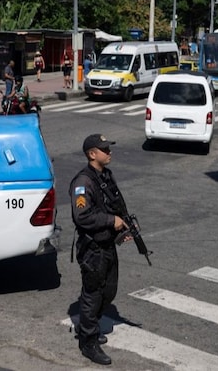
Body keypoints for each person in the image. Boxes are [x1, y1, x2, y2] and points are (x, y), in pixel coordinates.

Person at [69, 134, 127, 366]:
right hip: (92, 249)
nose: (109, 152)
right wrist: (111, 221)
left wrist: (124, 225)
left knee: (109, 291)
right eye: (104, 149)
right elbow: (82, 216)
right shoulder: (83, 182)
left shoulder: (105, 175)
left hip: (108, 244)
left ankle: (89, 324)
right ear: (92, 154)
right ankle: (88, 341)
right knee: (92, 295)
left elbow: (115, 203)